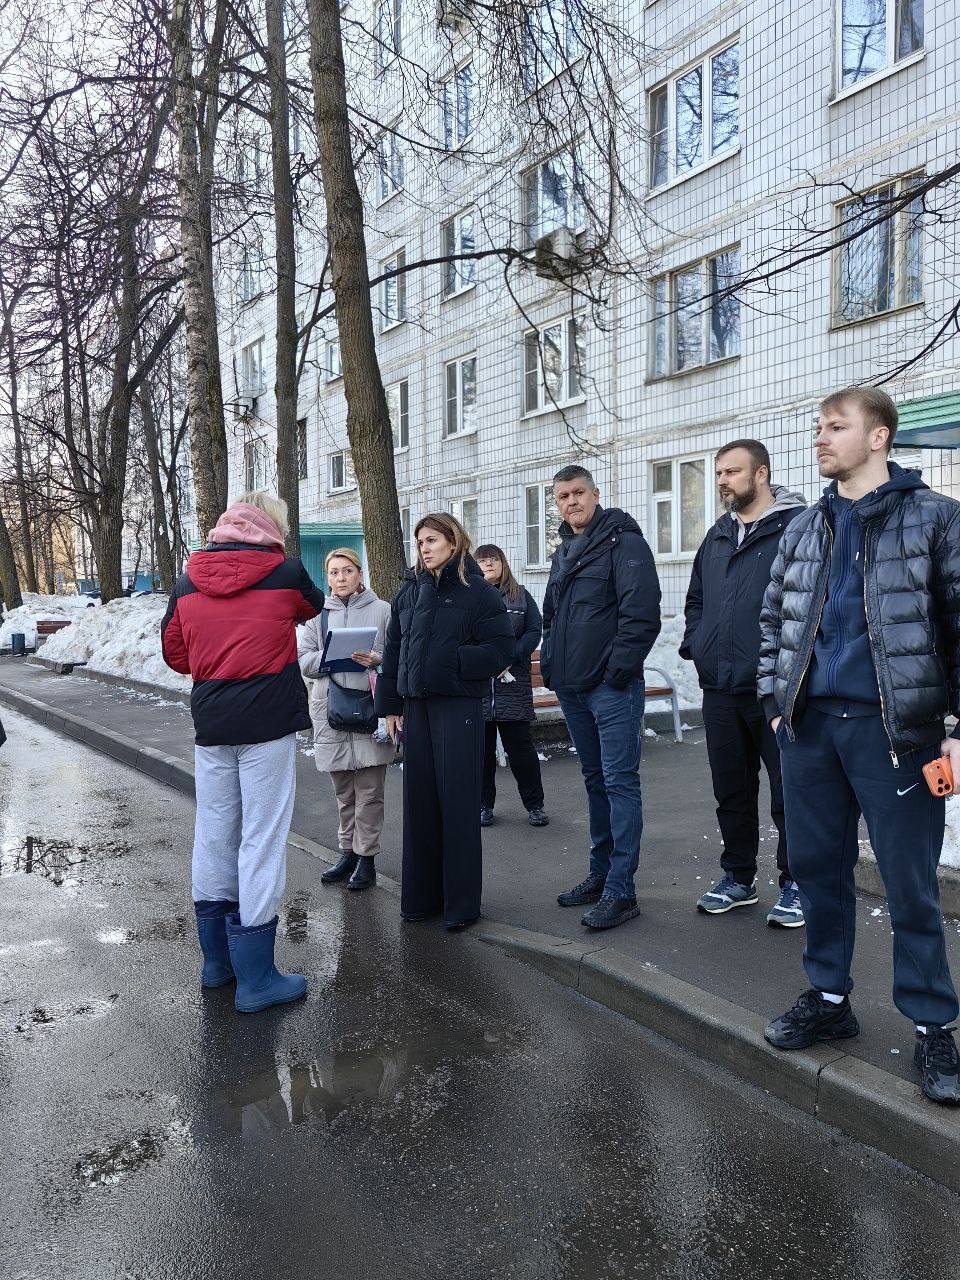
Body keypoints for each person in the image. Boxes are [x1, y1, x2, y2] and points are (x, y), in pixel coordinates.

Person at [758, 387, 960, 1105]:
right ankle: (828, 998)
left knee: (909, 884)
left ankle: (933, 1025)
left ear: (878, 437)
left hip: (896, 734)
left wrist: (957, 730)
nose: (820, 438)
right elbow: (774, 619)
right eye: (818, 427)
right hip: (809, 731)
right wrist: (775, 707)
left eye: (835, 427)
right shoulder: (804, 527)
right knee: (817, 872)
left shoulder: (936, 518)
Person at [161, 491, 325, 1014]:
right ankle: (257, 978)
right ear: (271, 527)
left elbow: (175, 653)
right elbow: (314, 606)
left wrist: (218, 655)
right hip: (268, 722)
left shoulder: (187, 580)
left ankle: (217, 964)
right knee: (261, 839)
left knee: (214, 834)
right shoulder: (286, 571)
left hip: (213, 720)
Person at [680, 441, 807, 926]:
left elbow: (809, 604)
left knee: (789, 792)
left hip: (776, 690)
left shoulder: (797, 528)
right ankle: (738, 877)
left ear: (761, 474)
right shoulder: (717, 535)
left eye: (732, 471)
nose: (722, 481)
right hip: (720, 687)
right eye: (719, 473)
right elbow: (695, 600)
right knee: (730, 790)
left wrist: (789, 671)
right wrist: (698, 643)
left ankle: (797, 883)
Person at [373, 513, 514, 929]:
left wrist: (453, 662)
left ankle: (461, 905)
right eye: (420, 542)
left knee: (456, 804)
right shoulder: (410, 591)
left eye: (432, 540)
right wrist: (390, 705)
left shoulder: (477, 592)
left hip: (457, 708)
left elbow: (501, 649)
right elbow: (393, 651)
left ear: (453, 541)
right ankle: (421, 899)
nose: (425, 548)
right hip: (416, 709)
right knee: (420, 804)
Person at [542, 465, 661, 931]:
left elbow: (641, 614)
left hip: (611, 690)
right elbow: (552, 616)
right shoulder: (563, 551)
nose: (571, 502)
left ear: (595, 494)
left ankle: (621, 890)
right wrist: (553, 667)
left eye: (578, 493)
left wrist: (616, 672)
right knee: (595, 781)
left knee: (619, 783)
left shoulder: (624, 544)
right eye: (562, 496)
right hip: (573, 688)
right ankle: (601, 874)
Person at [298, 548, 394, 892]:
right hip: (330, 711)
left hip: (369, 709)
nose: (341, 578)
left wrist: (377, 659)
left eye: (348, 571)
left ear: (360, 574)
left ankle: (366, 857)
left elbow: (397, 655)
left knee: (370, 791)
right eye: (334, 572)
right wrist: (330, 656)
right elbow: (303, 660)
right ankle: (348, 853)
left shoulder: (383, 610)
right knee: (343, 791)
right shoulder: (317, 614)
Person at [474, 543, 549, 829]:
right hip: (480, 689)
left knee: (521, 752)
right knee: (480, 755)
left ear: (503, 563)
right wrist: (485, 660)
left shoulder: (520, 595)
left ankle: (535, 806)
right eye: (482, 560)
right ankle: (483, 806)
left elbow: (534, 629)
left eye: (494, 559)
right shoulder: (469, 596)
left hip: (512, 687)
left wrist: (511, 656)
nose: (489, 564)